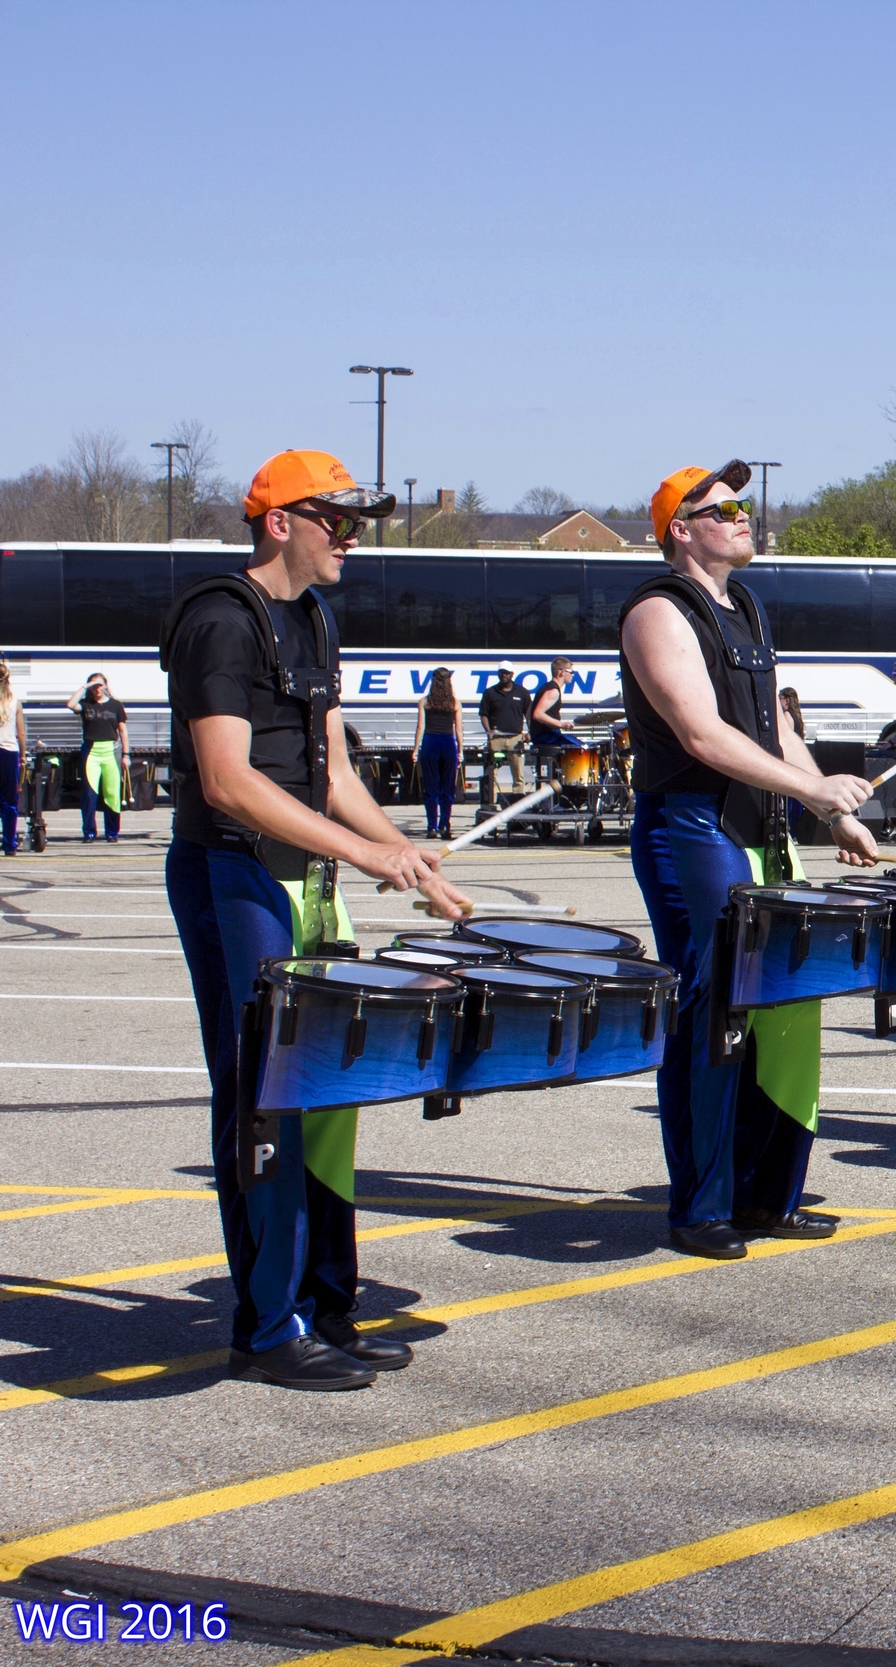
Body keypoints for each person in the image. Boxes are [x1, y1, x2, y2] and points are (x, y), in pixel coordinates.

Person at [164, 449, 470, 1391]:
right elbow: (227, 780)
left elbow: (332, 775)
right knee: (265, 1099)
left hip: (304, 877)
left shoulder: (313, 619)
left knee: (326, 1096)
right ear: (277, 522)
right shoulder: (221, 621)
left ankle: (326, 1307)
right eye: (333, 519)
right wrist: (365, 854)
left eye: (355, 521)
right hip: (235, 873)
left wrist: (407, 855)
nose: (351, 536)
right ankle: (266, 1326)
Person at [622, 461, 879, 1259]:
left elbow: (771, 730)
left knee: (791, 1010)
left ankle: (770, 1194)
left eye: (742, 504)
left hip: (760, 828)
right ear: (680, 529)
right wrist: (810, 787)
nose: (742, 515)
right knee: (715, 1015)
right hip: (694, 825)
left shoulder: (749, 608)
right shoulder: (659, 612)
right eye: (721, 507)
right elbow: (702, 735)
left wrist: (821, 804)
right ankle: (701, 1205)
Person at [68, 674, 128, 841]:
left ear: (105, 686)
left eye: (99, 685)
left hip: (111, 751)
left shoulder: (116, 705)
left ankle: (112, 832)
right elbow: (70, 705)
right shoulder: (86, 705)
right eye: (94, 686)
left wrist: (126, 755)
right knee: (89, 794)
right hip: (91, 751)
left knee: (112, 793)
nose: (97, 688)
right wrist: (85, 686)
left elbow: (123, 731)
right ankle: (89, 832)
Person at [414, 668, 464, 839]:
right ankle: (445, 824)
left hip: (430, 741)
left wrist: (415, 749)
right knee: (447, 787)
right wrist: (461, 750)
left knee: (431, 787)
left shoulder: (425, 702)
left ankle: (431, 827)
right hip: (448, 742)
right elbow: (458, 730)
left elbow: (420, 728)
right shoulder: (454, 703)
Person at [476, 664, 529, 815]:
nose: (503, 675)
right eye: (501, 673)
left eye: (506, 673)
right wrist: (489, 732)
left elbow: (529, 714)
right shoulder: (490, 693)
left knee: (518, 772)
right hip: (497, 739)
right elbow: (483, 714)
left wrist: (529, 732)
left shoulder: (522, 693)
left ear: (512, 674)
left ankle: (517, 803)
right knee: (492, 773)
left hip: (515, 739)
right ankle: (490, 804)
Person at [528, 655, 576, 777]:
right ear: (561, 672)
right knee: (578, 749)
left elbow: (530, 712)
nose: (573, 675)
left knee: (576, 744)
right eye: (571, 672)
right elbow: (537, 714)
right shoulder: (553, 691)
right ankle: (570, 785)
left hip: (545, 734)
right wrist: (562, 724)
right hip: (545, 736)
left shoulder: (548, 688)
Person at [0, 663, 22, 855]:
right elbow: (21, 733)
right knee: (9, 801)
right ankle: (9, 844)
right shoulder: (15, 701)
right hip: (8, 751)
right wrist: (23, 755)